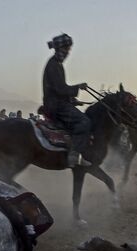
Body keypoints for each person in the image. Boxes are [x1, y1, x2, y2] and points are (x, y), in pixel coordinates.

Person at [42, 33, 92, 167]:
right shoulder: (54, 65)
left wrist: (72, 100)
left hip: (57, 102)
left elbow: (58, 90)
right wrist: (78, 87)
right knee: (84, 121)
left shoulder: (56, 64)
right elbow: (59, 89)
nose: (68, 52)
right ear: (61, 49)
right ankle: (74, 154)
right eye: (67, 49)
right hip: (55, 106)